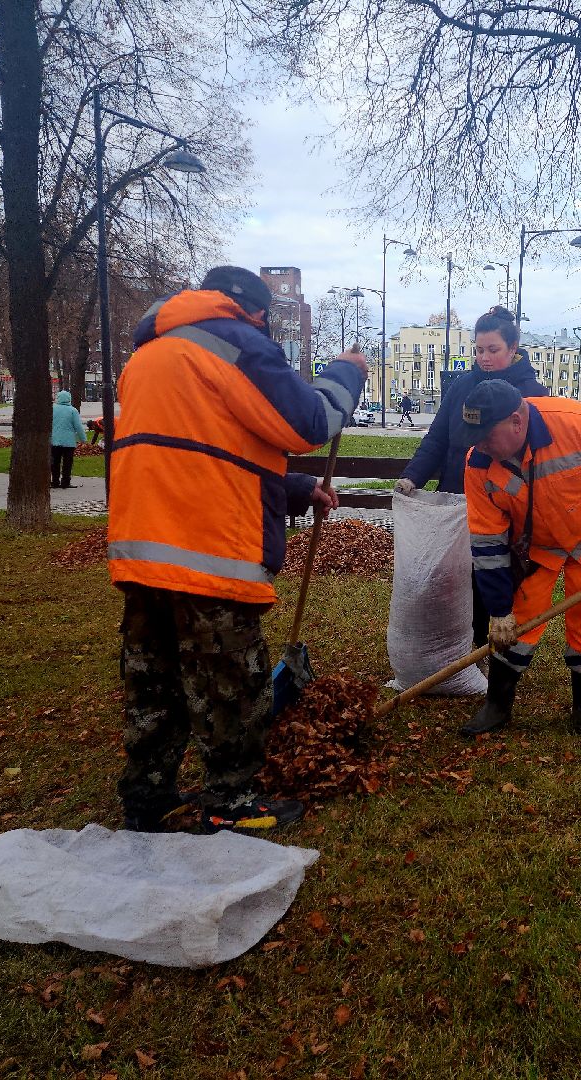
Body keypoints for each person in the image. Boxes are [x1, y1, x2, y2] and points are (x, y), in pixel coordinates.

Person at [108, 265, 367, 833]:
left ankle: (148, 795)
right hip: (208, 547)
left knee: (155, 677)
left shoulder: (150, 353)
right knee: (230, 683)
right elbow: (309, 423)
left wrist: (297, 488)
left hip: (143, 548)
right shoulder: (235, 342)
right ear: (255, 311)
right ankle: (231, 801)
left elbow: (207, 443)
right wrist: (346, 374)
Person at [460, 381, 581, 738]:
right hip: (536, 549)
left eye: (488, 436)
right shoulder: (478, 462)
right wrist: (498, 608)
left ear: (517, 422)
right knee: (518, 621)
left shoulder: (576, 422)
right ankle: (498, 705)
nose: (482, 446)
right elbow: (488, 542)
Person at [394, 306, 548, 647]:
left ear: (513, 348)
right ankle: (451, 644)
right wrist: (412, 477)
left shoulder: (532, 394)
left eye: (493, 350)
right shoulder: (462, 386)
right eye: (478, 350)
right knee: (451, 577)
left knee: (489, 577)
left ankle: (486, 647)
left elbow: (538, 455)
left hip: (504, 504)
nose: (485, 358)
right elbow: (437, 439)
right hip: (457, 497)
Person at [50, 390, 87, 488]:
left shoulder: (52, 409)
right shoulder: (73, 410)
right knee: (67, 463)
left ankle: (54, 481)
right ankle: (65, 482)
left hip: (54, 441)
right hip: (69, 442)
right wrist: (83, 439)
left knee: (55, 463)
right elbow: (78, 427)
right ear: (69, 399)